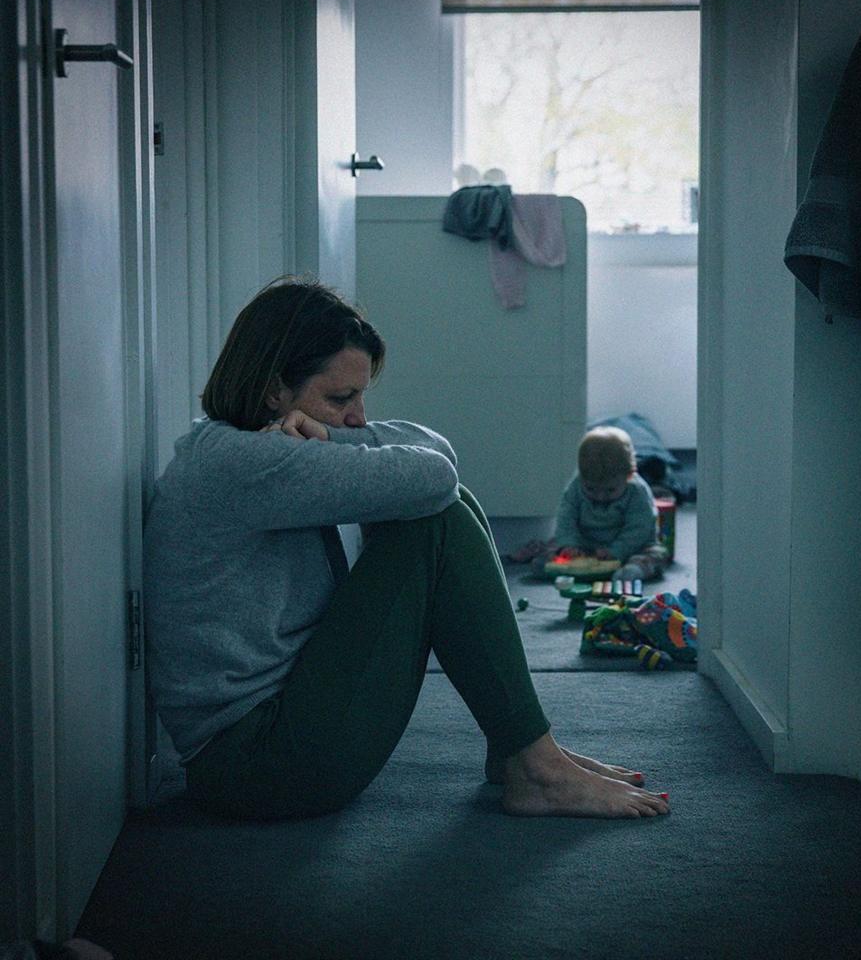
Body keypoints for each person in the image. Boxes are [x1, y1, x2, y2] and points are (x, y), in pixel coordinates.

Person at [143, 277, 669, 821]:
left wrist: (333, 435)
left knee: (441, 506)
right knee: (433, 522)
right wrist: (343, 444)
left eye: (362, 396)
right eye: (341, 398)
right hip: (258, 763)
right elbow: (434, 476)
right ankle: (533, 763)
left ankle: (524, 751)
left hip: (270, 735)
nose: (358, 417)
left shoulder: (240, 449)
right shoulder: (248, 462)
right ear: (276, 391)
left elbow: (439, 460)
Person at [550, 427, 667, 582]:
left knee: (656, 554)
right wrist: (569, 545)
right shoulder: (575, 486)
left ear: (629, 476)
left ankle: (632, 572)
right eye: (591, 488)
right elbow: (566, 518)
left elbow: (639, 528)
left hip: (630, 549)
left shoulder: (637, 492)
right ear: (581, 475)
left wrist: (616, 551)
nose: (600, 497)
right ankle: (555, 566)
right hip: (585, 546)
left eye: (610, 490)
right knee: (552, 548)